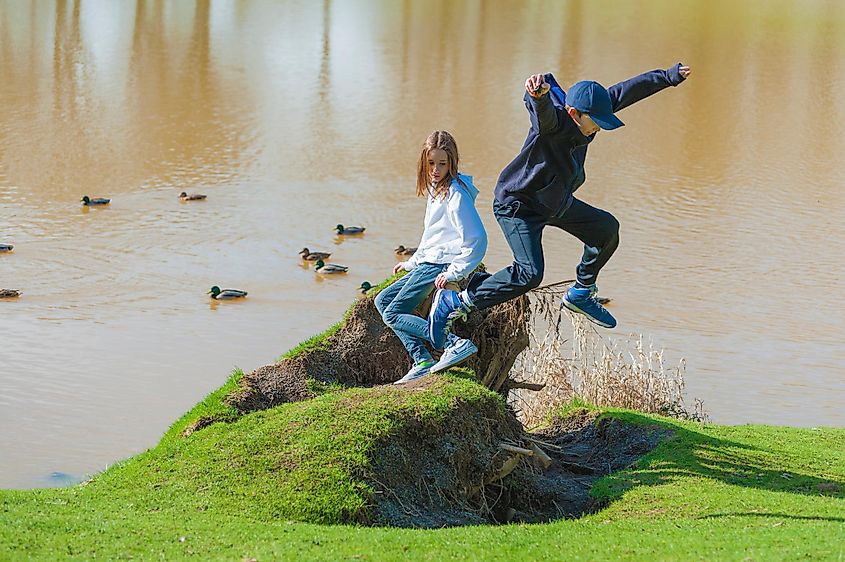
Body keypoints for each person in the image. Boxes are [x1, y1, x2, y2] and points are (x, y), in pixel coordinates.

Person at [428, 63, 692, 348]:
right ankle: (457, 301)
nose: (600, 129)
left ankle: (581, 292)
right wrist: (539, 97)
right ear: (574, 114)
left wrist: (668, 76)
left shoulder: (592, 109)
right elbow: (543, 117)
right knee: (530, 273)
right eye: (597, 122)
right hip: (518, 206)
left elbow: (627, 91)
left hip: (555, 203)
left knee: (606, 231)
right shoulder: (554, 125)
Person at [375, 130, 488, 384]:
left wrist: (454, 273)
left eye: (442, 164)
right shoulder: (437, 189)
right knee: (382, 301)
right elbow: (432, 236)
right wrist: (411, 262)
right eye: (431, 163)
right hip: (427, 261)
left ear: (452, 163)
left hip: (439, 265)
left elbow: (477, 240)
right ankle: (423, 360)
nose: (436, 169)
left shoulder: (456, 195)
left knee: (393, 313)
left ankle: (452, 342)